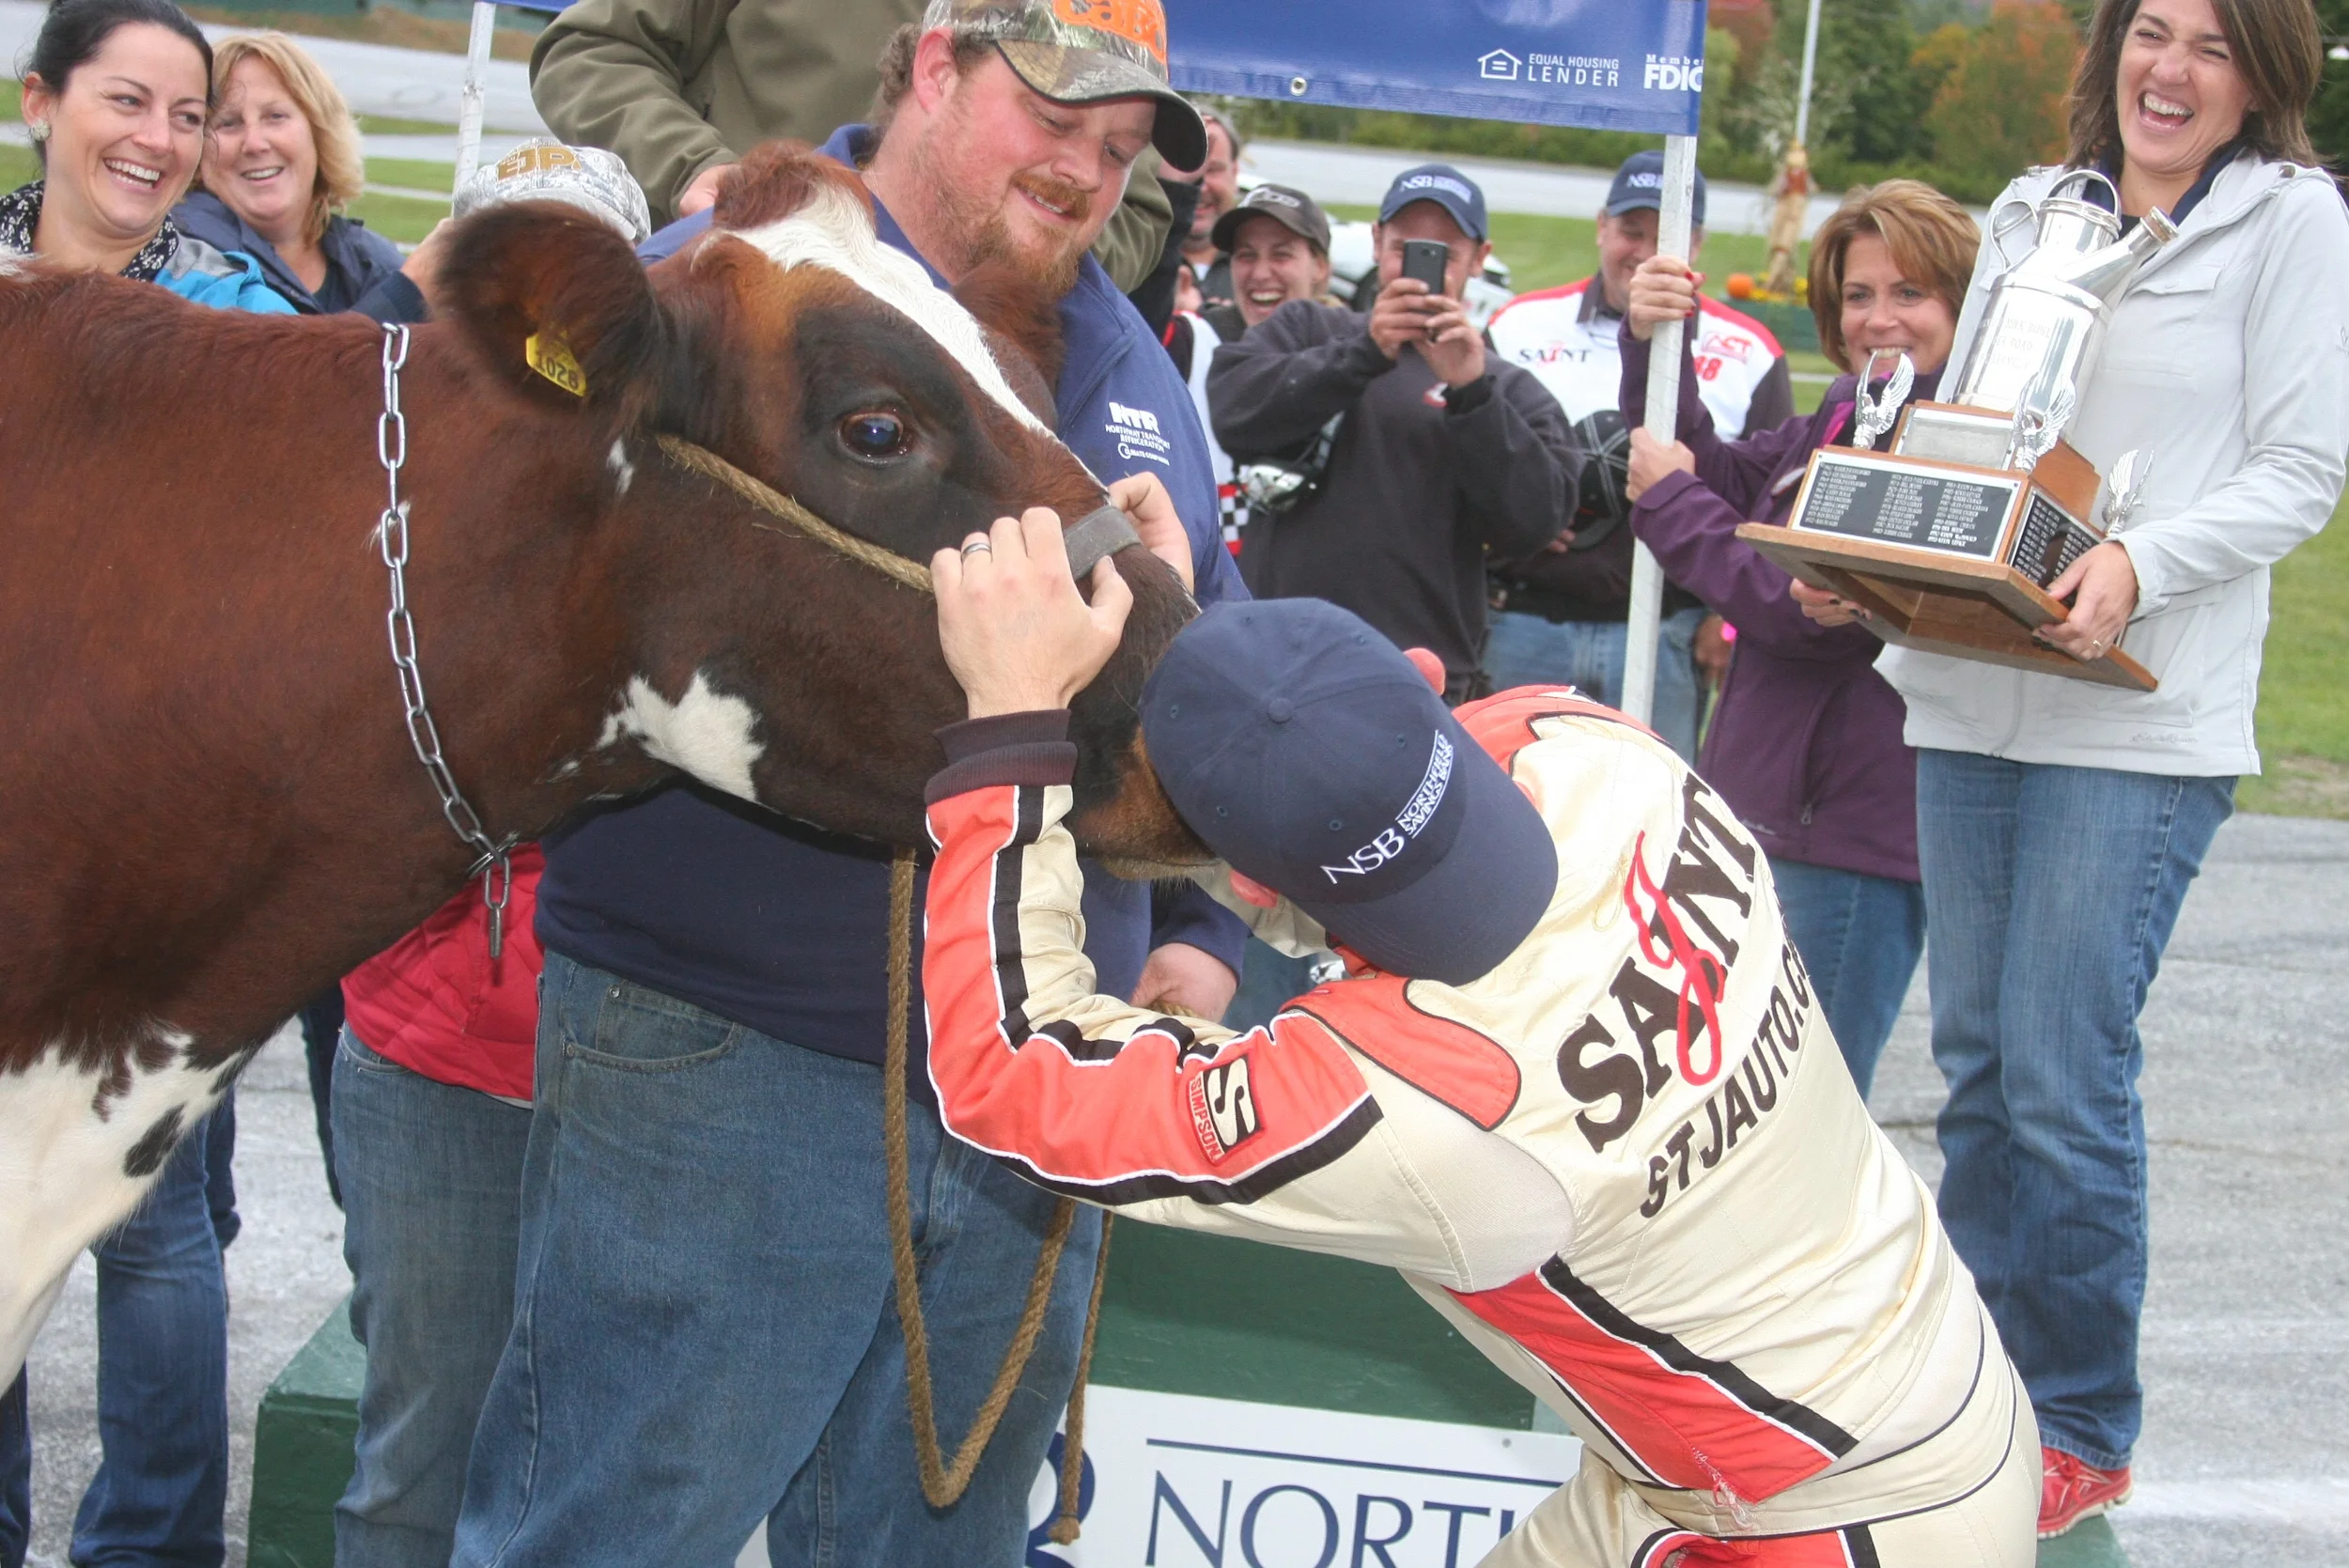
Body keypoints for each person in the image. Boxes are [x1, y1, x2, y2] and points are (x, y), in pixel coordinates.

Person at [449, 8, 1247, 1566]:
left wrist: (1200, 907)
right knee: (609, 1535)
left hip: (1033, 1077)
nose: (1086, 167)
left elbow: (1187, 648)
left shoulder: (1135, 362)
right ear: (934, 66)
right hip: (739, 1036)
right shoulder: (714, 285)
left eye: (1122, 139)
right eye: (1054, 113)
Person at [910, 511, 2040, 1566]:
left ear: (1245, 883)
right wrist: (1194, 640)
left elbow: (1007, 1074)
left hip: (1836, 1519)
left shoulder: (1424, 1111)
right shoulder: (1591, 746)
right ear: (1423, 683)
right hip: (1889, 1375)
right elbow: (1334, 753)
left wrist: (1011, 728)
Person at [1801, 0, 2347, 1538]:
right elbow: (1979, 433)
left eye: (2213, 46)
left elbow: (2303, 469)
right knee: (1976, 1068)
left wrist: (2142, 560)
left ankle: (2081, 1417)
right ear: (2113, 47)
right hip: (1979, 690)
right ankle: (1975, 1401)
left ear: (2263, 79)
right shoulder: (2037, 210)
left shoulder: (2296, 224)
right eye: (2151, 32)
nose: (2170, 70)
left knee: (2059, 1069)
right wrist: (1883, 545)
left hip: (2143, 709)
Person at [0, 2, 289, 1562]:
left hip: (160, 845)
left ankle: (154, 1542)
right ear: (42, 100)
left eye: (187, 115)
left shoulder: (244, 316)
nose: (163, 143)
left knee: (154, 1217)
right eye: (130, 100)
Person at [1612, 181, 1982, 1098]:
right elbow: (1721, 472)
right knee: (1711, 1098)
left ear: (1964, 307)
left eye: (1910, 293)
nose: (1879, 319)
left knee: (1800, 1109)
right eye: (1859, 295)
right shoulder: (1846, 414)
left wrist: (1667, 503)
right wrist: (1658, 343)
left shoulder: (1950, 443)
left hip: (1847, 843)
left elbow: (1806, 606)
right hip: (1758, 817)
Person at [1208, 163, 1579, 703]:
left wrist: (1472, 395)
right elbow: (1234, 414)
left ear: (1479, 260)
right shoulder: (1311, 329)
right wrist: (1364, 354)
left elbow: (1538, 521)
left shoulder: (1505, 384)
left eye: (1444, 254)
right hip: (1278, 668)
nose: (1419, 268)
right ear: (1379, 243)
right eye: (1405, 247)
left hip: (1422, 682)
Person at [1484, 151, 1795, 763]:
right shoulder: (1520, 325)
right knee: (1514, 811)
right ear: (1601, 226)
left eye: (1667, 237)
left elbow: (1772, 507)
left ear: (1698, 243)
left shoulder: (1749, 351)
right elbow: (1473, 460)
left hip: (1666, 633)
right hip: (1526, 623)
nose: (1644, 253)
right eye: (1630, 232)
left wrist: (1725, 624)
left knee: (1651, 825)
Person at [526, 0, 1177, 288]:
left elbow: (1135, 203)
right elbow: (590, 49)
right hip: (737, 300)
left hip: (963, 376)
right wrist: (691, 166)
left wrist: (1012, 268)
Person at [176, 32, 439, 319]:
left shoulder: (371, 262)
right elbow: (293, 362)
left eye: (275, 116)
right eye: (228, 123)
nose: (254, 143)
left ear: (319, 133)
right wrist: (403, 295)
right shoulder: (187, 265)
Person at [1163, 181, 1333, 555]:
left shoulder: (1350, 355)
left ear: (1320, 266)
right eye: (1246, 255)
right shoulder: (1194, 338)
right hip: (1211, 597)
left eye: (1281, 255)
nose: (1260, 273)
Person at [1174, 103, 1239, 308]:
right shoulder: (1135, 265)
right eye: (1184, 169)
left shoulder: (1262, 266)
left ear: (1235, 173)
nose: (1199, 187)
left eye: (1213, 169)